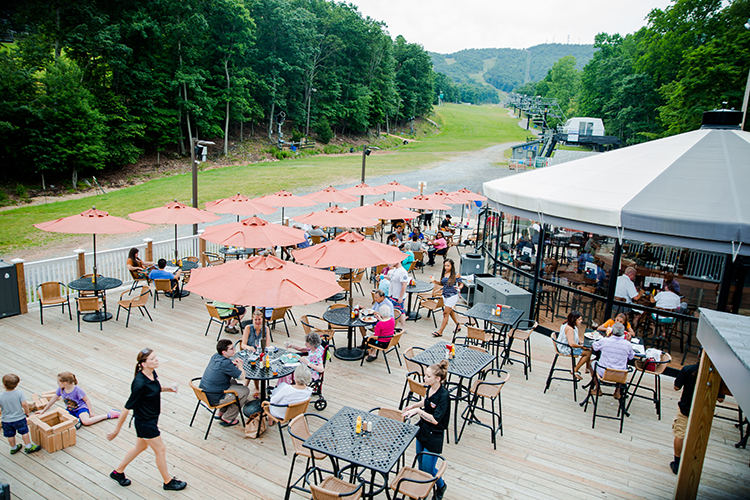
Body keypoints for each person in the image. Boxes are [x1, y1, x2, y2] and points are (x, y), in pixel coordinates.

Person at [107, 349, 186, 491]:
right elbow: (126, 408)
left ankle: (117, 472)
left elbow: (154, 388)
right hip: (145, 423)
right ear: (143, 364)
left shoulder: (152, 373)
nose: (156, 360)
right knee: (160, 449)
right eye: (152, 359)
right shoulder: (139, 384)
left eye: (155, 357)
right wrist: (116, 430)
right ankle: (168, 482)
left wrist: (169, 389)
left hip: (151, 419)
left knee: (141, 446)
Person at [402, 360, 450, 500]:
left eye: (428, 376)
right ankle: (423, 489)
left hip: (434, 435)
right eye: (425, 375)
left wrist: (418, 411)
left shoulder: (444, 396)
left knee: (428, 469)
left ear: (438, 379)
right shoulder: (430, 388)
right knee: (421, 464)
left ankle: (441, 485)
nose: (424, 378)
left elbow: (435, 419)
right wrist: (413, 406)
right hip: (423, 430)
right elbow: (427, 402)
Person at [37, 372, 120, 428]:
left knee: (86, 422)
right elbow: (53, 399)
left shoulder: (77, 390)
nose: (57, 383)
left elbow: (87, 400)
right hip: (70, 410)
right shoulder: (61, 389)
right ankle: (77, 420)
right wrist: (43, 411)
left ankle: (109, 414)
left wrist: (90, 412)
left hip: (81, 408)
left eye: (58, 382)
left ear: (65, 383)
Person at [199, 339, 250, 426]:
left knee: (233, 382)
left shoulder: (215, 356)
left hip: (203, 392)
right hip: (214, 398)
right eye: (231, 349)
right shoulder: (225, 363)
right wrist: (240, 366)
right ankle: (228, 417)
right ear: (224, 352)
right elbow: (241, 377)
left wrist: (232, 365)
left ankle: (222, 412)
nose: (234, 350)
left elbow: (222, 367)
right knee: (245, 391)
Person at [0, 374, 41, 455]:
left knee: (10, 435)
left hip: (6, 420)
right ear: (16, 384)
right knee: (24, 432)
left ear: (4, 385)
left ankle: (13, 448)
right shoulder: (19, 393)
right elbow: (24, 404)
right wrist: (27, 412)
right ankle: (28, 446)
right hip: (19, 418)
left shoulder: (0, 396)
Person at [591, 322, 634, 398]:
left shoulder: (605, 341)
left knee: (591, 363)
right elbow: (631, 357)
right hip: (620, 374)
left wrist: (607, 338)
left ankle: (598, 388)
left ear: (612, 331)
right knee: (621, 366)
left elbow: (594, 347)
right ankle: (617, 392)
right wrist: (629, 342)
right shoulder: (628, 344)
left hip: (604, 371)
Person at [430, 259, 463, 338]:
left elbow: (461, 284)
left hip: (452, 295)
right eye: (445, 266)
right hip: (445, 295)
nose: (446, 267)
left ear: (452, 266)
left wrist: (459, 288)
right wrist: (434, 281)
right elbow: (442, 283)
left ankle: (440, 331)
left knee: (445, 313)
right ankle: (458, 325)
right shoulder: (444, 274)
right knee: (450, 311)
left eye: (448, 265)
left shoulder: (455, 274)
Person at [556, 311, 590, 380]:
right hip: (566, 348)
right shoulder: (569, 328)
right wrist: (582, 347)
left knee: (588, 349)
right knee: (588, 352)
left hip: (565, 345)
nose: (581, 321)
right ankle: (575, 370)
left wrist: (581, 342)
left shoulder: (568, 324)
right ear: (574, 319)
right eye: (579, 319)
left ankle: (587, 368)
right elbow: (572, 344)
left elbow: (574, 337)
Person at [388, 261, 410, 332]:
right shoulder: (395, 269)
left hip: (398, 296)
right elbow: (392, 279)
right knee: (397, 310)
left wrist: (400, 297)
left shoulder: (402, 271)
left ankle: (403, 327)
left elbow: (404, 285)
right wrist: (384, 276)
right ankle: (397, 326)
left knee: (400, 311)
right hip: (392, 294)